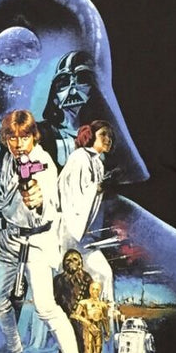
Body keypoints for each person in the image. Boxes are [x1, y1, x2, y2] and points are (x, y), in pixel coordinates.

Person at [0, 110, 93, 353]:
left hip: (38, 241)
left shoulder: (43, 165)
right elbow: (3, 196)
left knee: (46, 308)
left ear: (34, 136)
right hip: (10, 238)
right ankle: (12, 345)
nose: (18, 144)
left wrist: (37, 199)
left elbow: (46, 200)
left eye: (24, 137)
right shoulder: (8, 160)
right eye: (12, 137)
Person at [57, 120, 116, 303]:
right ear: (90, 135)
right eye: (103, 134)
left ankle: (105, 319)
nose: (108, 139)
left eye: (110, 136)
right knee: (64, 283)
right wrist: (98, 187)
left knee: (104, 274)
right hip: (70, 233)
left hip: (85, 235)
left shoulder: (98, 163)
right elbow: (73, 195)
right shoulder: (79, 157)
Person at [52, 249, 93, 353]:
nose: (71, 262)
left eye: (75, 259)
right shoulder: (58, 280)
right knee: (64, 345)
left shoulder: (87, 279)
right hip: (63, 318)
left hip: (80, 319)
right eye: (68, 260)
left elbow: (90, 299)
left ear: (80, 262)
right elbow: (54, 300)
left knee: (82, 345)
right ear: (64, 263)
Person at [71, 280, 113, 353]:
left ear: (100, 291)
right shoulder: (84, 303)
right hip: (88, 329)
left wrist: (107, 331)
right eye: (93, 289)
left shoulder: (103, 305)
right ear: (90, 290)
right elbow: (75, 315)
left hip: (98, 329)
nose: (95, 291)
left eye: (97, 289)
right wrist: (87, 322)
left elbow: (105, 319)